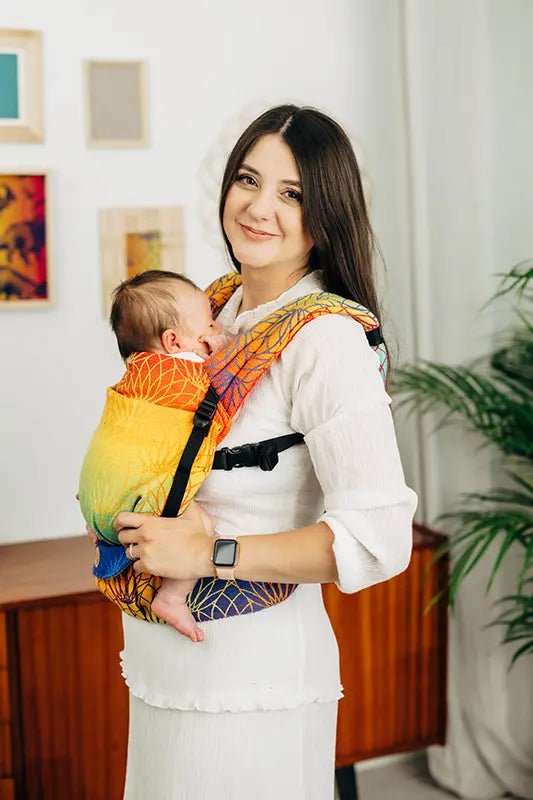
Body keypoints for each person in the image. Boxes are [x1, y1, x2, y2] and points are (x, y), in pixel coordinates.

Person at [105, 105, 417, 800]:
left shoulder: (326, 339)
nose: (258, 207)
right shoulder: (211, 311)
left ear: (326, 214)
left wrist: (208, 554)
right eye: (248, 179)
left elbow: (379, 538)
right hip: (165, 663)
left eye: (291, 193)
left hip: (250, 675)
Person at [80, 269, 230, 641]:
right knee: (201, 527)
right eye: (209, 326)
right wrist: (225, 345)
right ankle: (172, 597)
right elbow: (220, 412)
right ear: (173, 341)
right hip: (134, 504)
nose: (216, 328)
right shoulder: (187, 374)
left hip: (96, 498)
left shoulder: (135, 372)